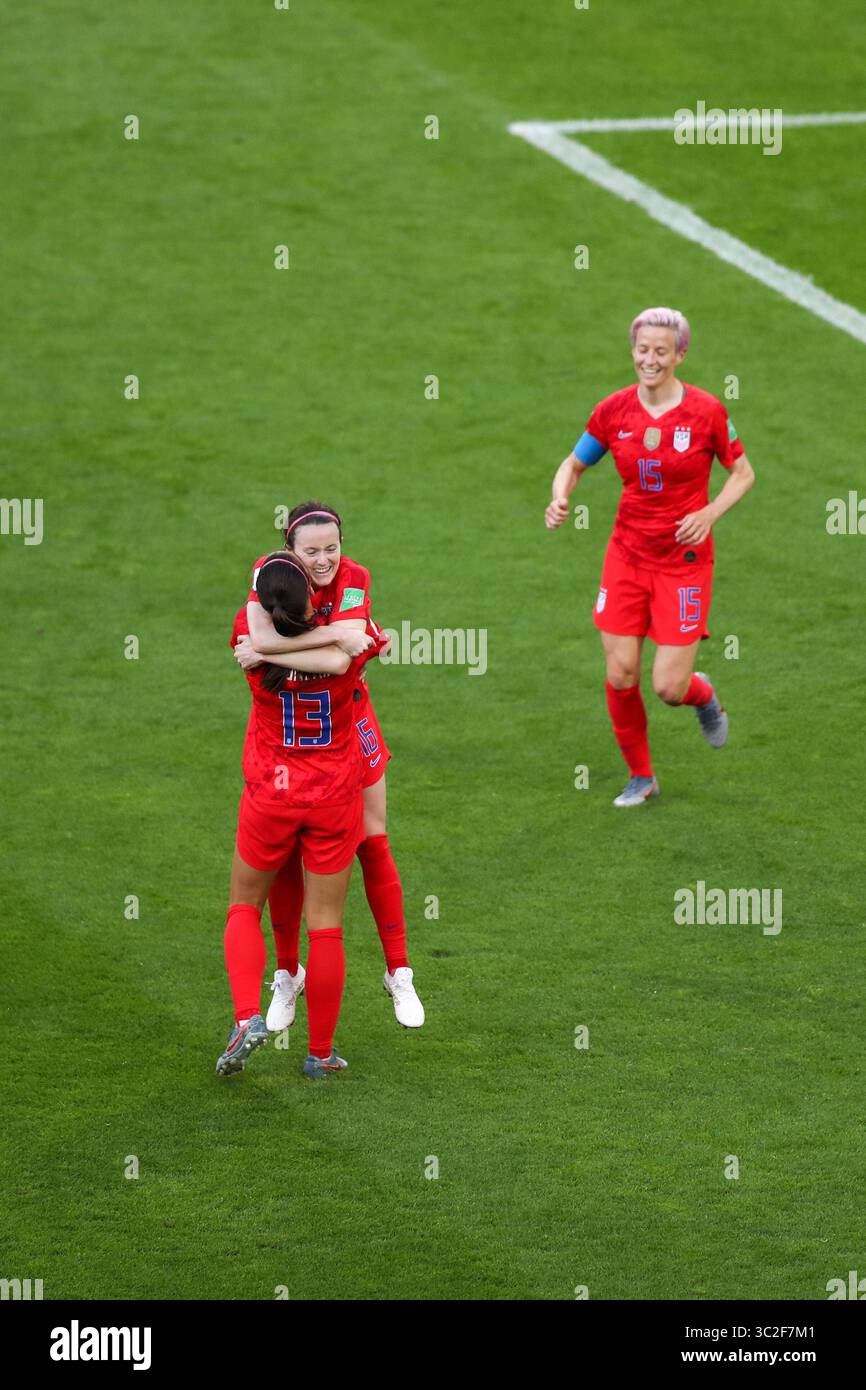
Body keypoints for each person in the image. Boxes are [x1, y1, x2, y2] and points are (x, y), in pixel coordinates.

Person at [545, 307, 755, 806]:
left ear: (681, 355)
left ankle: (701, 694)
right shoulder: (614, 410)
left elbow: (743, 473)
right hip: (626, 557)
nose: (650, 359)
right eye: (643, 350)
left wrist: (708, 514)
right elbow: (574, 463)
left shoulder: (705, 412)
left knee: (667, 686)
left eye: (662, 351)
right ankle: (642, 775)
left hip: (683, 564)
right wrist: (560, 496)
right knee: (620, 674)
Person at [240, 501, 424, 1028]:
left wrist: (271, 650)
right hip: (292, 746)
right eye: (312, 551)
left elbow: (339, 659)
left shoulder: (354, 578)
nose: (324, 560)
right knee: (288, 853)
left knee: (372, 838)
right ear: (289, 551)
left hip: (351, 727)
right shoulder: (269, 574)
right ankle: (287, 974)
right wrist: (330, 635)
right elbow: (273, 638)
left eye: (332, 548)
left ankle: (399, 971)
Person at [217, 551, 386, 1080]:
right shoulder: (343, 644)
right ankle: (320, 1053)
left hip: (271, 791)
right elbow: (353, 650)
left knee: (245, 907)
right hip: (333, 795)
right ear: (312, 598)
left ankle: (248, 1015)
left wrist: (266, 642)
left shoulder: (249, 645)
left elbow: (257, 629)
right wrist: (340, 635)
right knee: (327, 928)